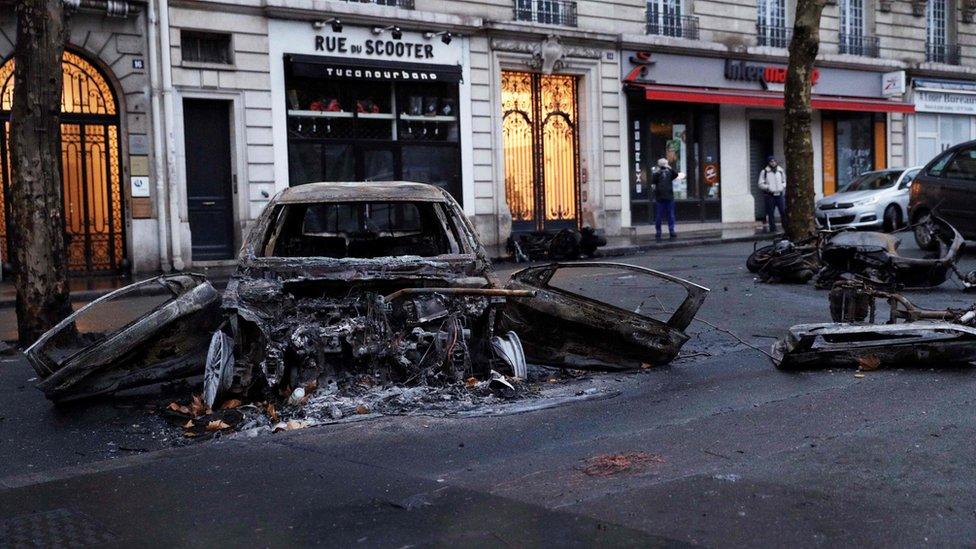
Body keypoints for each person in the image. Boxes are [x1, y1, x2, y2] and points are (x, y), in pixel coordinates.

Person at [651, 158, 679, 241]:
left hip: (669, 197)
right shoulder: (656, 173)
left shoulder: (670, 172)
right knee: (660, 216)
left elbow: (676, 174)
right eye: (664, 164)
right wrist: (659, 170)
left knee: (670, 215)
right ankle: (659, 232)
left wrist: (669, 167)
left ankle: (671, 231)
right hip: (660, 198)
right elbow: (653, 181)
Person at [758, 156, 787, 232]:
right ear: (769, 163)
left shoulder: (780, 171)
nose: (773, 163)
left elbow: (784, 181)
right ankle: (773, 228)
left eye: (774, 161)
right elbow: (760, 184)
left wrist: (782, 186)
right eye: (771, 161)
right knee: (771, 212)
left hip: (779, 194)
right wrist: (768, 187)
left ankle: (785, 227)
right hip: (770, 195)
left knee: (783, 212)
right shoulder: (764, 172)